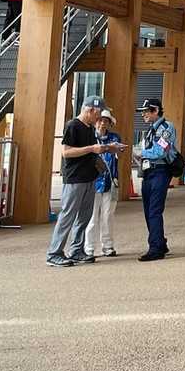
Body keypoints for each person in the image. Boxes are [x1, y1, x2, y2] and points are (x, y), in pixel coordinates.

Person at [48, 96, 118, 267]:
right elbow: (66, 152)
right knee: (68, 215)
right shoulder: (73, 126)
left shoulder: (89, 128)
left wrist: (107, 148)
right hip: (75, 178)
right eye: (98, 113)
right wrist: (92, 148)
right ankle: (54, 253)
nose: (99, 118)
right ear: (90, 110)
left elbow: (91, 152)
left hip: (89, 177)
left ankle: (76, 250)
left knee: (84, 217)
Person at [135, 97, 179, 262]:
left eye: (146, 111)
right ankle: (159, 242)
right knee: (148, 210)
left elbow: (160, 152)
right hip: (148, 172)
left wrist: (140, 153)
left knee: (154, 210)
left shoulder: (166, 128)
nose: (143, 115)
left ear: (156, 111)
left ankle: (155, 248)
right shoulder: (150, 130)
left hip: (160, 171)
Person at [85, 108, 124, 258]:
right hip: (93, 181)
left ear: (109, 123)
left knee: (108, 216)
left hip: (111, 181)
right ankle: (89, 248)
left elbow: (120, 153)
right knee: (91, 217)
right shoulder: (89, 137)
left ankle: (108, 246)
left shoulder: (114, 137)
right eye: (100, 120)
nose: (102, 123)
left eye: (106, 121)